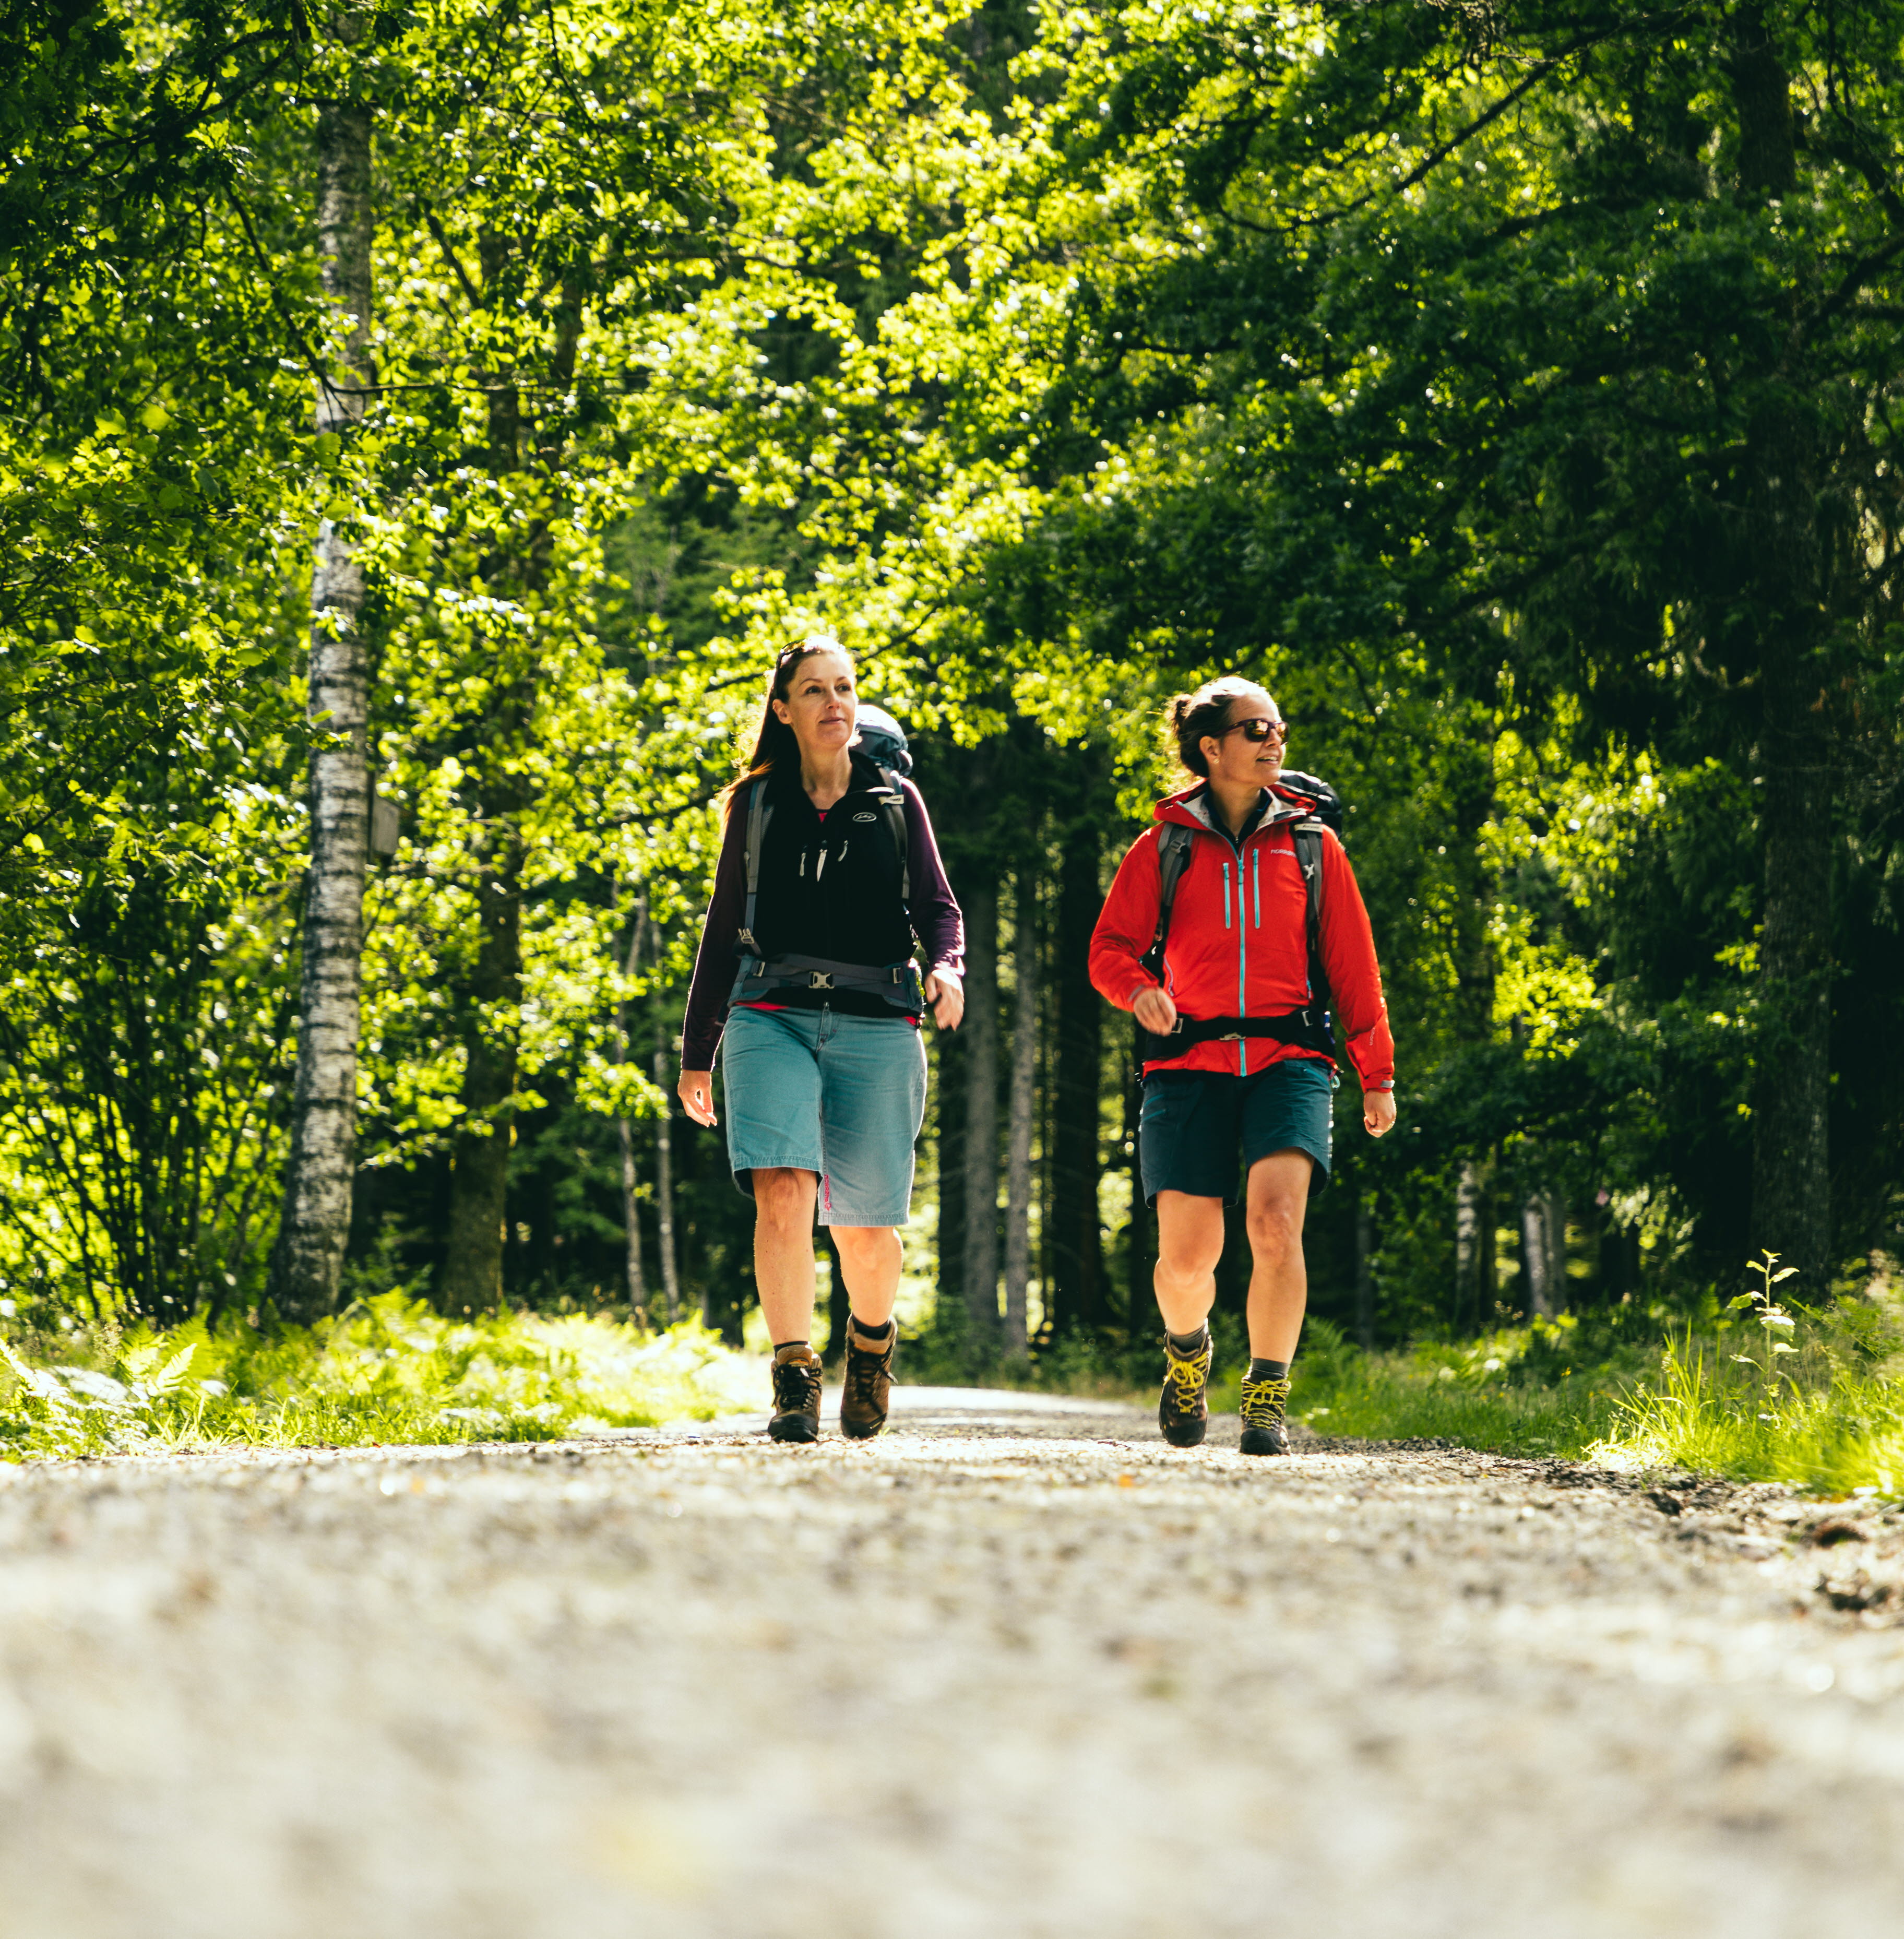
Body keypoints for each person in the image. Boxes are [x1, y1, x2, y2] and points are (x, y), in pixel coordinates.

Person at [1089, 677, 1396, 1455]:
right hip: (1188, 1062)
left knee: (1275, 1223)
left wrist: (1376, 1072)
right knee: (1187, 1261)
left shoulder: (1312, 845)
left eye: (1278, 728)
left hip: (1289, 1058)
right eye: (1255, 729)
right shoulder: (1164, 846)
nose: (1273, 741)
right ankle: (1187, 1355)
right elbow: (1108, 951)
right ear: (1211, 747)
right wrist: (1141, 992)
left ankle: (1266, 1396)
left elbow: (1355, 967)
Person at [677, 638, 964, 1444]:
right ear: (784, 710)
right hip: (772, 1012)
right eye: (814, 690)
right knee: (783, 1192)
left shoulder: (897, 799)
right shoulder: (757, 804)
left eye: (845, 687)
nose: (834, 702)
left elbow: (940, 910)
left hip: (880, 1019)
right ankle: (795, 1374)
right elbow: (722, 929)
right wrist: (699, 1051)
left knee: (864, 1230)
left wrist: (948, 967)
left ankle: (870, 1348)